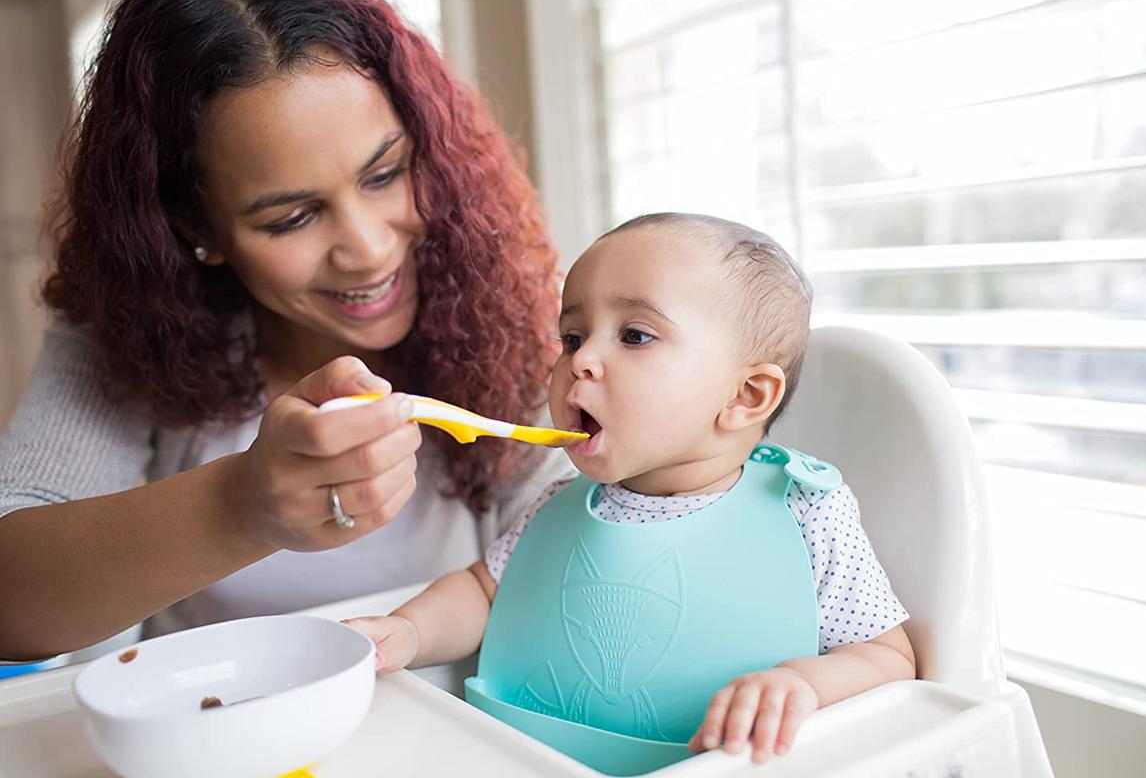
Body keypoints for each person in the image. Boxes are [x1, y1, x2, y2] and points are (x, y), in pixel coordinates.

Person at [0, 0, 569, 662]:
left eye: (386, 174)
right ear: (194, 228)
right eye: (291, 217)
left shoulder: (509, 312)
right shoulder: (123, 339)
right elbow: (13, 605)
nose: (368, 249)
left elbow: (572, 571)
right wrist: (238, 507)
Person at [343, 213, 915, 773]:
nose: (581, 361)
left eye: (635, 336)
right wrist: (410, 631)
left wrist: (802, 684)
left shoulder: (805, 513)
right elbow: (482, 594)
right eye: (571, 337)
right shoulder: (555, 504)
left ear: (746, 396)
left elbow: (888, 658)